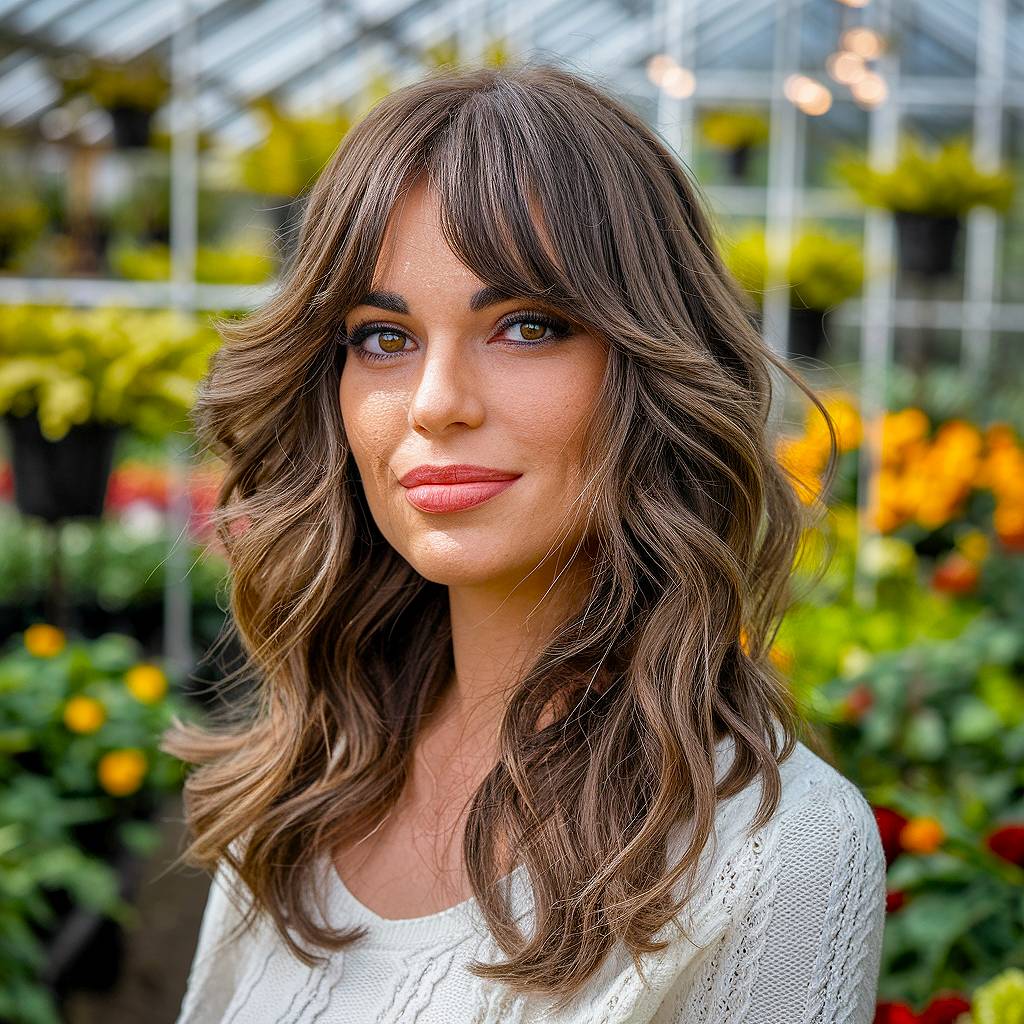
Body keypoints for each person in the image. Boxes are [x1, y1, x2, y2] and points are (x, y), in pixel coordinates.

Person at [167, 60, 887, 1023]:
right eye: (384, 337)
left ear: (649, 367)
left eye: (526, 327)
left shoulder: (776, 848)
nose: (435, 404)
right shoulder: (305, 788)